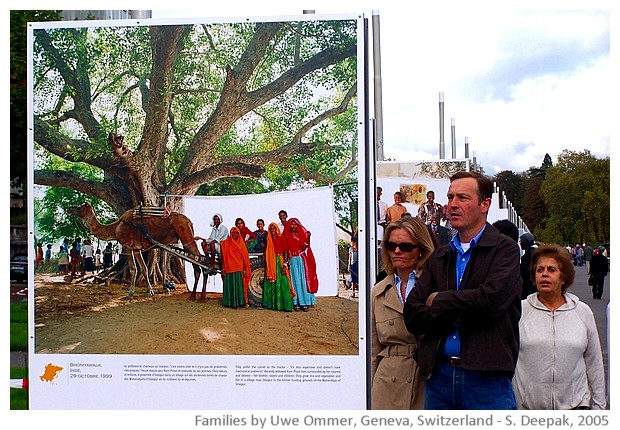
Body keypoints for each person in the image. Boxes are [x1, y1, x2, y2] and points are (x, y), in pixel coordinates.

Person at [403, 171, 522, 410]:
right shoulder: (441, 255)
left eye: (462, 198)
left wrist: (438, 300)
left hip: (487, 380)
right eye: (450, 197)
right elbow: (413, 314)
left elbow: (491, 301)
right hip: (439, 379)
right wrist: (464, 306)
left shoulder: (504, 250)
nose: (452, 205)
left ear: (485, 204)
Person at [513, 244, 606, 410]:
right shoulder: (520, 311)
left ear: (564, 277)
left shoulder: (582, 312)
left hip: (576, 410)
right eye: (540, 270)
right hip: (529, 412)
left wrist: (599, 407)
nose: (544, 274)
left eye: (551, 270)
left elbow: (594, 363)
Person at [371, 216, 435, 410]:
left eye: (405, 246)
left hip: (427, 380)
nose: (397, 251)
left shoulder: (437, 286)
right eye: (391, 246)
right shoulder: (378, 292)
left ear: (422, 250)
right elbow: (373, 350)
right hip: (387, 385)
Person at [283, 218, 318, 312]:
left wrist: (307, 238)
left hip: (301, 260)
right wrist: (285, 264)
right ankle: (296, 302)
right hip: (293, 260)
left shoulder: (300, 234)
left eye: (295, 224)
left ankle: (304, 303)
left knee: (303, 280)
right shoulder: (286, 236)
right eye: (292, 224)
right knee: (295, 281)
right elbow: (286, 251)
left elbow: (303, 248)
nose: (293, 226)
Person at [262, 222, 294, 311]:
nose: (272, 230)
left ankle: (286, 306)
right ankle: (273, 305)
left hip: (279, 261)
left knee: (283, 282)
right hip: (271, 263)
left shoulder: (281, 238)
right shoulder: (269, 240)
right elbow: (268, 250)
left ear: (277, 229)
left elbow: (286, 252)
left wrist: (285, 265)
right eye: (270, 229)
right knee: (271, 283)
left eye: (274, 228)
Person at [220, 227, 252, 308]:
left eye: (236, 233)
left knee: (238, 285)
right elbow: (223, 257)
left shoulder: (242, 244)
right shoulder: (225, 243)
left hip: (239, 267)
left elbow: (245, 258)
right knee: (230, 285)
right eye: (233, 233)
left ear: (239, 234)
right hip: (229, 267)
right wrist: (223, 268)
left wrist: (245, 269)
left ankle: (240, 303)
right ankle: (229, 303)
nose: (234, 235)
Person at [519, 232, 538, 299]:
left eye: (521, 242)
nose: (520, 244)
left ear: (525, 243)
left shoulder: (527, 256)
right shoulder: (537, 252)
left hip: (529, 287)